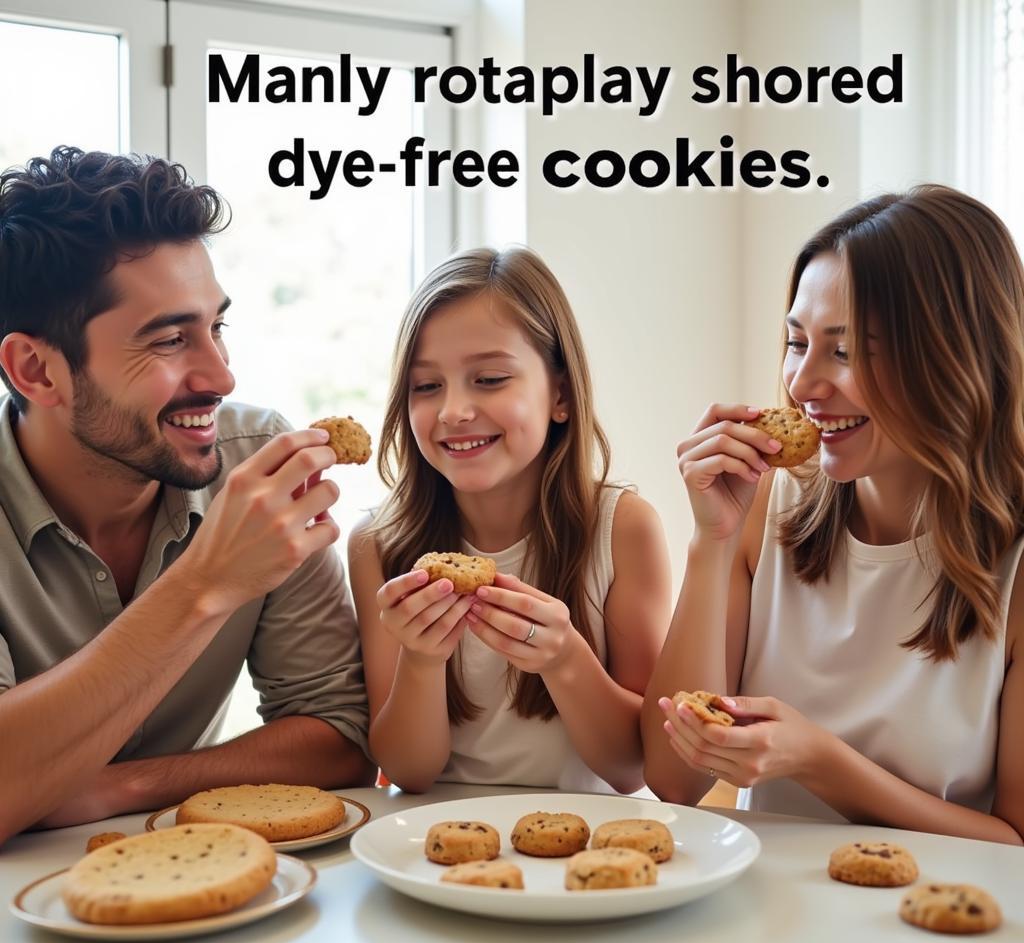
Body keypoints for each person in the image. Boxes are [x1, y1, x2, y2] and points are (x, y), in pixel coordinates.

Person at [0, 147, 374, 846]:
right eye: (171, 339)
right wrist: (208, 583)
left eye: (216, 327)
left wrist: (126, 785)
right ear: (36, 370)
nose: (221, 376)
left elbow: (340, 737)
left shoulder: (256, 462)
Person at [642, 185, 1024, 845]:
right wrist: (711, 541)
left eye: (846, 351)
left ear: (955, 357)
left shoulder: (1012, 566)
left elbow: (1014, 842)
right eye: (797, 342)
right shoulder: (764, 504)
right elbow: (675, 780)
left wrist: (820, 762)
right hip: (768, 917)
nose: (801, 384)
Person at [348, 247, 671, 794]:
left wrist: (566, 658)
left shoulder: (623, 530)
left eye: (491, 379)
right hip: (438, 849)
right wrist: (422, 662)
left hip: (588, 848)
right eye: (427, 386)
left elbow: (630, 767)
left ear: (561, 395)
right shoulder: (378, 545)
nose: (453, 411)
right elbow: (409, 771)